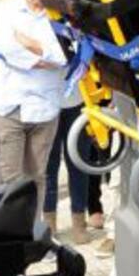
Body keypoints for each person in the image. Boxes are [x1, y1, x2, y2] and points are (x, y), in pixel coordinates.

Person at [0, 0, 70, 219]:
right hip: (10, 106)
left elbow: (67, 56)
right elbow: (6, 50)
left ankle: (31, 231)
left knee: (37, 177)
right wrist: (48, 55)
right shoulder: (7, 10)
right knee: (9, 179)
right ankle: (6, 232)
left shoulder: (64, 16)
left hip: (45, 109)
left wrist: (30, 45)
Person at [43, 102, 94, 244]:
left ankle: (79, 224)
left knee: (78, 164)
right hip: (48, 103)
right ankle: (49, 225)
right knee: (48, 167)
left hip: (78, 103)